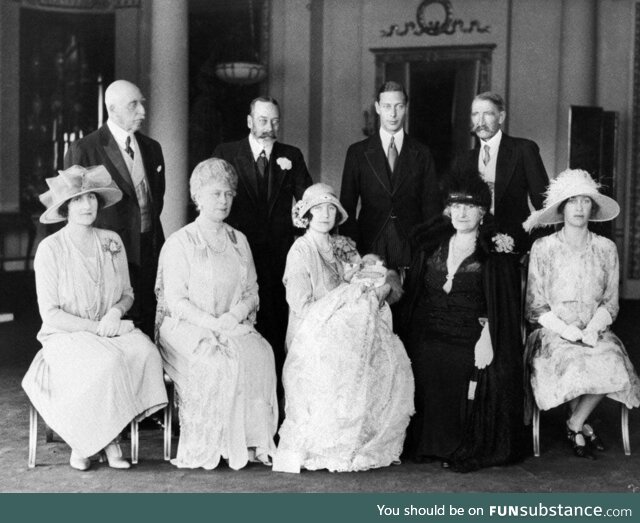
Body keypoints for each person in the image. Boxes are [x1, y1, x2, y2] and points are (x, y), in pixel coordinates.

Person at [22, 165, 168, 471]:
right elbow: (50, 314)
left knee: (145, 352)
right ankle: (91, 442)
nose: (87, 205)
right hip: (66, 335)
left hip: (109, 328)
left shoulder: (110, 240)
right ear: (65, 207)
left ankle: (109, 435)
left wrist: (115, 312)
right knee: (106, 363)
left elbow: (127, 293)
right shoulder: (51, 249)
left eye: (91, 198)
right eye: (78, 199)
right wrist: (95, 328)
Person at [273, 183, 414, 473]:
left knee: (383, 350)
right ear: (307, 215)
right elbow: (301, 305)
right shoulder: (300, 250)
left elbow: (367, 278)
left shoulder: (344, 246)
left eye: (330, 208)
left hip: (349, 328)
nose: (325, 214)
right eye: (317, 208)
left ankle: (361, 437)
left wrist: (371, 284)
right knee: (341, 350)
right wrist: (347, 297)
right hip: (311, 330)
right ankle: (329, 441)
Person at [155, 158, 278, 470]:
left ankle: (249, 441)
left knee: (261, 353)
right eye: (215, 194)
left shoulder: (239, 241)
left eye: (228, 194)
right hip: (185, 327)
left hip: (230, 322)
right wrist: (212, 324)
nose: (223, 200)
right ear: (197, 196)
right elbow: (176, 300)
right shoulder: (180, 242)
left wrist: (232, 317)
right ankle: (216, 443)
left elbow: (253, 290)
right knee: (216, 361)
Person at [400, 173, 526, 472]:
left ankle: (456, 446)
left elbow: (503, 308)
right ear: (448, 209)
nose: (462, 212)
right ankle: (427, 444)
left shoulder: (495, 251)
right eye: (456, 205)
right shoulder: (431, 245)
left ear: (483, 212)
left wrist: (488, 336)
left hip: (472, 333)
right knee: (419, 357)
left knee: (458, 362)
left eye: (469, 206)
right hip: (429, 330)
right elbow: (415, 297)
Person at [523, 169, 640, 459]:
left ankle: (575, 422)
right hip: (553, 333)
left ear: (593, 207)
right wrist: (567, 331)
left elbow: (611, 302)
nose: (578, 208)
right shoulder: (544, 248)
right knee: (574, 363)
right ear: (561, 208)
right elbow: (535, 305)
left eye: (585, 201)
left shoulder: (606, 248)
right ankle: (581, 425)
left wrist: (592, 329)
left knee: (612, 363)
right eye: (571, 201)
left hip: (595, 331)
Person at [213, 96, 312, 397]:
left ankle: (275, 402)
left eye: (275, 121)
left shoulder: (291, 155)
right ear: (249, 121)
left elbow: (307, 203)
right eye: (263, 120)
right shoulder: (226, 153)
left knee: (274, 324)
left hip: (278, 259)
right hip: (236, 255)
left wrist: (301, 227)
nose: (269, 127)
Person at [64, 79, 165, 337]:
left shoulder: (152, 149)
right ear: (112, 109)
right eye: (134, 105)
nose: (142, 111)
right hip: (108, 257)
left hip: (150, 253)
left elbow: (157, 200)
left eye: (142, 103)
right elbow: (73, 209)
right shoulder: (85, 149)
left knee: (149, 324)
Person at [340, 81, 442, 271]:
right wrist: (351, 249)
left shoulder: (422, 152)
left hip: (412, 243)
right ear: (377, 108)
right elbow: (347, 205)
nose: (393, 114)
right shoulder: (357, 152)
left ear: (406, 108)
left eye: (399, 106)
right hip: (370, 242)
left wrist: (429, 247)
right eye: (387, 106)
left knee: (411, 298)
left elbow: (431, 206)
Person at [451, 92, 549, 253]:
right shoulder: (463, 160)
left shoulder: (523, 150)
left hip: (513, 247)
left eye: (488, 114)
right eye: (475, 114)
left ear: (501, 117)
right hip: (472, 248)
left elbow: (544, 206)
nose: (480, 121)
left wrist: (536, 246)